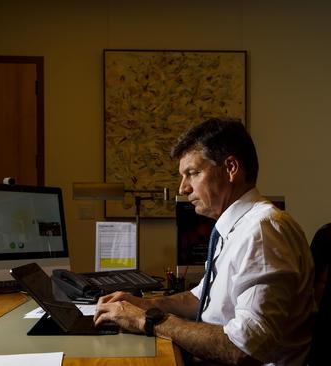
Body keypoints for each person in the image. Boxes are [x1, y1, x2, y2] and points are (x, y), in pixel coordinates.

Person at [94, 118, 315, 365]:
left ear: (231, 168)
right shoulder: (237, 227)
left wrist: (146, 320)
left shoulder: (261, 231)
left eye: (193, 173)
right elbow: (201, 298)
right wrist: (146, 304)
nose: (183, 188)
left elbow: (245, 347)